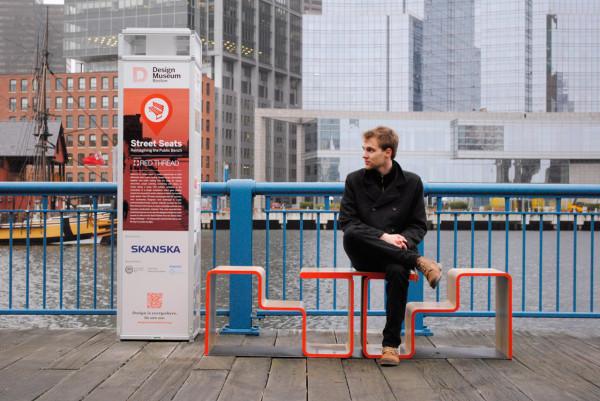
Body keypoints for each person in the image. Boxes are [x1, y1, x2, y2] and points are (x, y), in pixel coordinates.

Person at [339, 126, 442, 366]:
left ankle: (390, 345)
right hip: (364, 251)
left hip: (396, 254)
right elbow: (346, 222)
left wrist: (404, 240)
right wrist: (384, 236)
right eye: (364, 149)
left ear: (388, 152)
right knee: (351, 234)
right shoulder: (354, 180)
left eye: (370, 150)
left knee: (397, 271)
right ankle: (419, 262)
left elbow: (418, 225)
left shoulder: (412, 183)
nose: (364, 154)